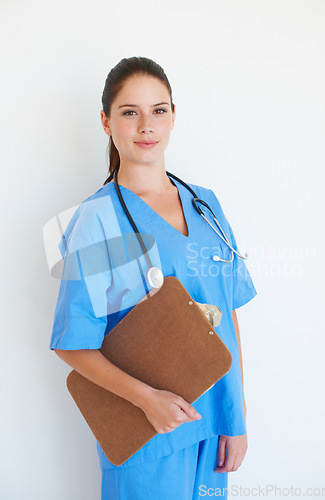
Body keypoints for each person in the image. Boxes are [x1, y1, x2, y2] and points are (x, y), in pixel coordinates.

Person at [49, 56, 257, 500]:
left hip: (212, 427)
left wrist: (236, 418)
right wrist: (148, 401)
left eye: (158, 110)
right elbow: (72, 343)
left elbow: (229, 315)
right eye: (130, 112)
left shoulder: (207, 205)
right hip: (147, 432)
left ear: (173, 117)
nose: (146, 125)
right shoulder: (97, 220)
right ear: (106, 122)